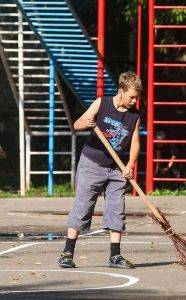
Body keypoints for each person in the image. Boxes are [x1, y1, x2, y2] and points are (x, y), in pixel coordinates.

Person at [58, 72, 141, 269]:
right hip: (92, 163)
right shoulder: (101, 103)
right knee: (83, 206)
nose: (135, 100)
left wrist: (130, 164)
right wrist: (84, 124)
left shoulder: (134, 115)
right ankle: (67, 253)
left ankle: (115, 256)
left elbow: (136, 142)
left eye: (137, 97)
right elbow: (77, 124)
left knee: (116, 209)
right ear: (121, 92)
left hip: (116, 168)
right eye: (132, 97)